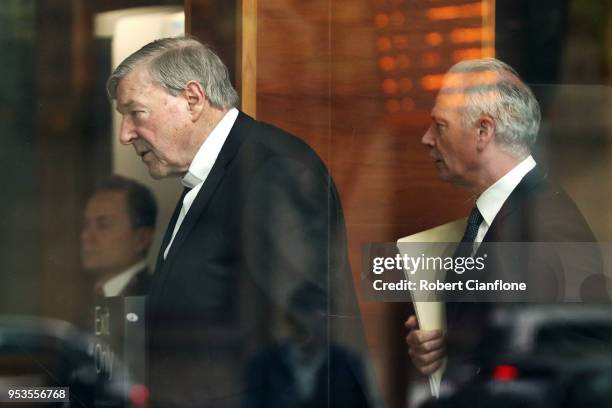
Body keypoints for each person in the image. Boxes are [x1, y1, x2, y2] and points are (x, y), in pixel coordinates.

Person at [106, 37, 366, 408]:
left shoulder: (271, 167)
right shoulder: (213, 173)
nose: (125, 133)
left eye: (136, 112)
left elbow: (305, 340)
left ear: (193, 99)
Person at [404, 58, 603, 379]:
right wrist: (442, 346)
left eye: (440, 126)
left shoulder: (544, 224)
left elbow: (570, 362)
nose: (427, 138)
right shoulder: (500, 213)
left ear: (483, 131)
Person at [243, 282, 375, 408]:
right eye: (306, 310)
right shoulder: (264, 364)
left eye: (321, 311)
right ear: (290, 319)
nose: (312, 320)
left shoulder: (348, 364)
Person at [81, 175, 157, 297]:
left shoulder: (156, 299)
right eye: (86, 225)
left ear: (141, 239)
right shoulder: (86, 297)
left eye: (103, 225)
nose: (85, 236)